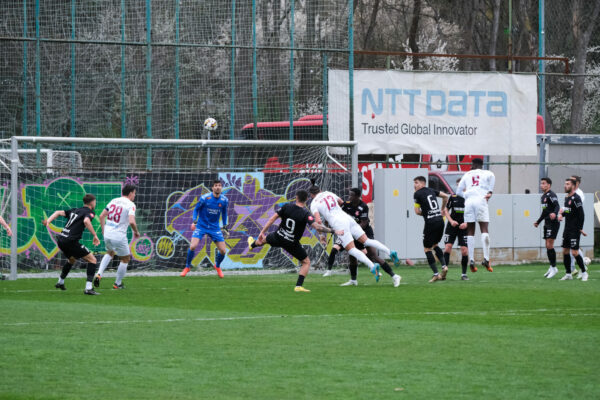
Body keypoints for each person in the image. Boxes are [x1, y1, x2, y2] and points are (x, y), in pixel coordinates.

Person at [247, 190, 342, 292]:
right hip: (292, 243)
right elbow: (317, 227)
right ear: (307, 199)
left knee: (263, 240)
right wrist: (333, 231)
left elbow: (272, 219)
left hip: (278, 236)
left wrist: (262, 231)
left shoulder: (286, 206)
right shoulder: (306, 214)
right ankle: (298, 286)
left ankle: (252, 244)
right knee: (306, 262)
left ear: (296, 197)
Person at [308, 181, 400, 283]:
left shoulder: (314, 204)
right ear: (320, 190)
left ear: (311, 195)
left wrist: (321, 235)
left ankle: (372, 266)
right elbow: (342, 202)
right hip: (348, 218)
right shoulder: (329, 193)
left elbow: (319, 221)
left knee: (351, 249)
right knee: (367, 241)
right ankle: (390, 252)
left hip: (339, 224)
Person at [43, 194, 101, 295]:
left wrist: (48, 221)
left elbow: (57, 212)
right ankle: (88, 288)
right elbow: (86, 221)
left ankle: (60, 282)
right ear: (92, 202)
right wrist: (95, 235)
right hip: (70, 241)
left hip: (61, 240)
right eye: (95, 202)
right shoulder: (89, 212)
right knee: (93, 260)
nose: (95, 203)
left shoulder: (75, 210)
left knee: (72, 260)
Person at [94, 184, 141, 289]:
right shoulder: (131, 204)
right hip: (118, 235)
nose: (134, 195)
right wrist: (136, 232)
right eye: (134, 193)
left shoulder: (114, 201)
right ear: (130, 193)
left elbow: (102, 216)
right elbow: (132, 222)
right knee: (125, 259)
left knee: (110, 253)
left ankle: (99, 274)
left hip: (107, 234)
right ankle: (117, 283)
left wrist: (103, 230)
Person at [181, 180, 229, 278]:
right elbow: (196, 209)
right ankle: (187, 267)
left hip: (214, 228)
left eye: (220, 186)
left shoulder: (224, 200)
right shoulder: (205, 198)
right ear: (212, 188)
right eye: (216, 185)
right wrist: (194, 221)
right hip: (201, 226)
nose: (218, 187)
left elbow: (224, 213)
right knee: (193, 246)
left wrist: (225, 226)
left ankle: (217, 266)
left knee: (223, 251)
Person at [456, 158, 495, 272]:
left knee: (470, 230)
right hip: (481, 200)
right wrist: (490, 192)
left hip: (469, 202)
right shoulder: (486, 172)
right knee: (484, 228)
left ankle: (471, 260)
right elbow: (492, 176)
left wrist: (467, 196)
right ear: (482, 165)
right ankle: (486, 259)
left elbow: (458, 191)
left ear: (472, 165)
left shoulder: (467, 174)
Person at [413, 176, 449, 282]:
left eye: (416, 182)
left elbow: (417, 211)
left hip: (431, 222)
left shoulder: (417, 194)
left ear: (422, 184)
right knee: (435, 244)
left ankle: (436, 274)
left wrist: (426, 213)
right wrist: (441, 209)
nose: (414, 185)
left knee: (427, 249)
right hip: (440, 221)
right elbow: (445, 196)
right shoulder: (431, 190)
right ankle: (444, 266)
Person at [558, 178, 588, 281]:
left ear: (573, 186)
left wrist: (580, 228)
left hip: (575, 229)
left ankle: (584, 272)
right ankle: (568, 274)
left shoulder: (576, 198)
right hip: (567, 229)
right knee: (565, 251)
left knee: (575, 252)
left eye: (567, 184)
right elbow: (568, 212)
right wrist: (561, 214)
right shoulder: (566, 198)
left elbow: (581, 214)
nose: (565, 186)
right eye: (565, 184)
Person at [442, 179, 469, 281]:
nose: (460, 188)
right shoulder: (453, 198)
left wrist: (467, 223)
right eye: (458, 186)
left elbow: (474, 214)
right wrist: (451, 221)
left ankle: (464, 274)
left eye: (461, 186)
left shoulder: (470, 198)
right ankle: (444, 272)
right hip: (452, 226)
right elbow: (446, 210)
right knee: (448, 248)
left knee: (464, 251)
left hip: (464, 227)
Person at [533, 178, 560, 278]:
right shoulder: (543, 197)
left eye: (543, 183)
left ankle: (554, 268)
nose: (541, 185)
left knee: (550, 245)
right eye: (541, 183)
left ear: (549, 185)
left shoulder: (551, 195)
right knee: (547, 245)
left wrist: (555, 213)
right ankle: (551, 266)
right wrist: (538, 221)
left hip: (553, 222)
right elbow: (545, 212)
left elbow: (557, 206)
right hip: (547, 222)